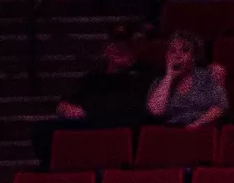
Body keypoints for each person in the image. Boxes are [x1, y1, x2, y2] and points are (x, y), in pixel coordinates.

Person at [30, 24, 155, 162]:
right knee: (42, 130)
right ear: (106, 49)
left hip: (126, 126)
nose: (120, 49)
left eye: (125, 45)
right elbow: (63, 104)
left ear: (134, 48)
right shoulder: (92, 79)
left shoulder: (147, 75)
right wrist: (67, 108)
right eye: (115, 45)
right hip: (91, 125)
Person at [146, 30, 229, 130]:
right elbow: (156, 111)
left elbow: (220, 107)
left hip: (201, 130)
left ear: (194, 56)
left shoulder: (207, 76)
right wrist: (169, 76)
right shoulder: (160, 82)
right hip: (171, 132)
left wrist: (196, 124)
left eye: (185, 51)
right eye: (173, 51)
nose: (178, 56)